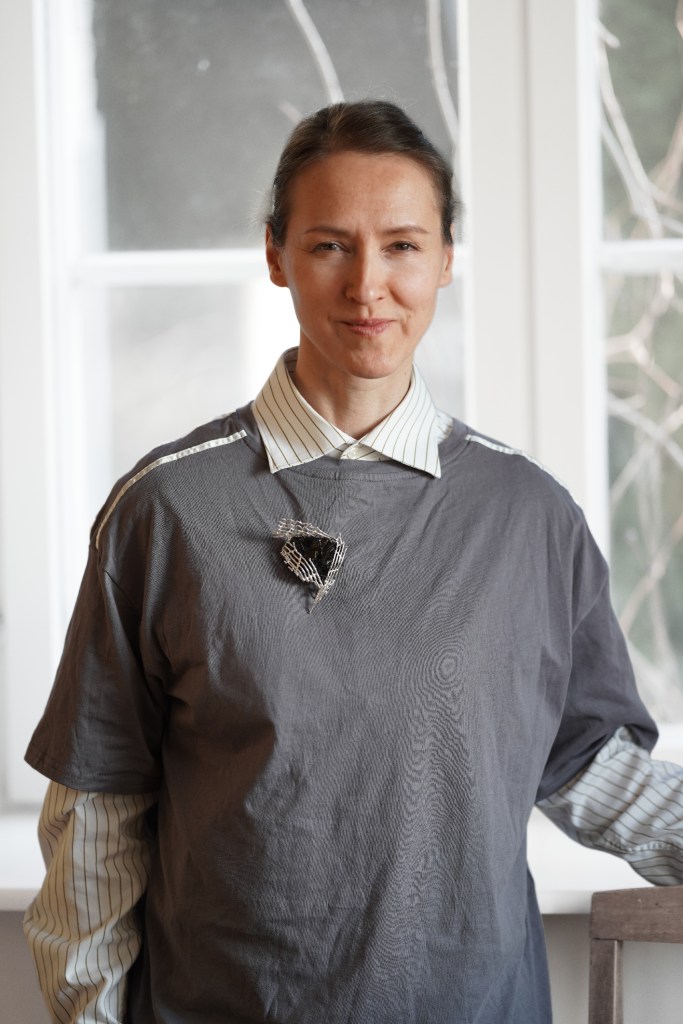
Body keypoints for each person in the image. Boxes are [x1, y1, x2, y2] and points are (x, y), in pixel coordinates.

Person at [23, 100, 683, 1024]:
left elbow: (587, 763)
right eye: (330, 245)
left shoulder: (529, 516)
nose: (368, 286)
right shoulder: (164, 510)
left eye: (402, 246)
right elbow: (96, 812)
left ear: (445, 259)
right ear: (275, 255)